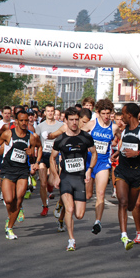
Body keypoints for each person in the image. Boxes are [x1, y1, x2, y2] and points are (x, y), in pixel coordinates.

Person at [110, 103, 140, 250]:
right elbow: (124, 145)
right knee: (122, 202)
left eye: (123, 114)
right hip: (123, 169)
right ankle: (124, 235)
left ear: (129, 115)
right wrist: (118, 152)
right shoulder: (124, 130)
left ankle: (127, 231)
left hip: (137, 172)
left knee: (130, 206)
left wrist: (137, 153)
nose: (121, 117)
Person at [50, 107, 96, 251]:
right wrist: (56, 176)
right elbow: (52, 158)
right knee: (70, 209)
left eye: (76, 119)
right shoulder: (61, 139)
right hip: (66, 178)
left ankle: (63, 208)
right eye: (71, 120)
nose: (74, 122)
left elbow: (94, 154)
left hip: (80, 178)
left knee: (80, 215)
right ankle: (71, 239)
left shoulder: (86, 137)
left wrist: (89, 170)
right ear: (66, 121)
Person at [0, 110, 40, 240]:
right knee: (9, 200)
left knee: (18, 200)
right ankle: (11, 216)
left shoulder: (31, 137)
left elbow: (39, 147)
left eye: (26, 120)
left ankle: (9, 228)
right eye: (22, 120)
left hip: (23, 171)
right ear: (16, 121)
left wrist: (34, 159)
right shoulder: (8, 134)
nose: (24, 123)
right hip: (8, 169)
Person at [81, 98, 120, 235]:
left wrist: (118, 152)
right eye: (103, 113)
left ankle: (97, 222)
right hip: (89, 162)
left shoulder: (114, 127)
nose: (105, 116)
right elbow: (78, 136)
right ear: (98, 113)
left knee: (101, 193)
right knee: (87, 194)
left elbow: (122, 139)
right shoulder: (92, 124)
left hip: (103, 163)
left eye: (108, 113)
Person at [35, 104, 64, 216]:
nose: (50, 113)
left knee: (51, 181)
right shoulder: (40, 126)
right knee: (42, 184)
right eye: (48, 111)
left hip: (55, 156)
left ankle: (50, 186)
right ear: (45, 113)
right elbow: (36, 141)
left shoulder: (60, 125)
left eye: (52, 111)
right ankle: (45, 206)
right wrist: (35, 158)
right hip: (43, 155)